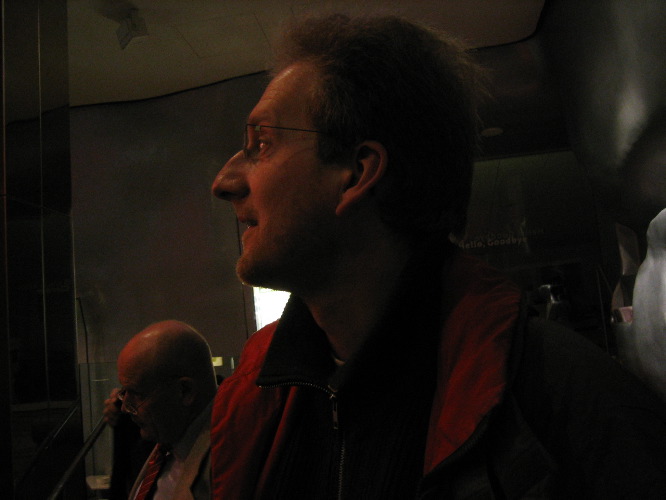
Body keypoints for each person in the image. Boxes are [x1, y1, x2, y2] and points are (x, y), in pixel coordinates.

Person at [209, 13, 666, 499]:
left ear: (356, 173)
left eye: (261, 144)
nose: (224, 183)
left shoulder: (568, 407)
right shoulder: (250, 398)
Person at [105, 320, 218, 500]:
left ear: (184, 391)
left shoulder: (227, 460)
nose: (125, 408)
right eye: (124, 392)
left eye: (137, 394)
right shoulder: (164, 438)